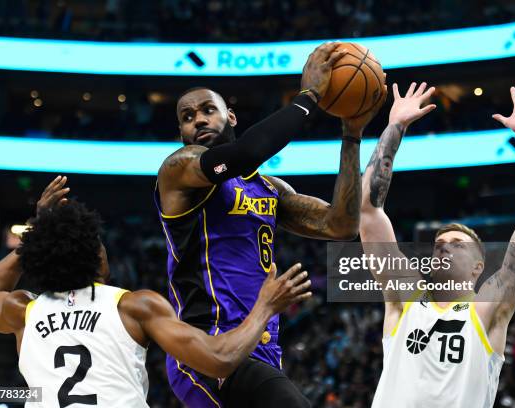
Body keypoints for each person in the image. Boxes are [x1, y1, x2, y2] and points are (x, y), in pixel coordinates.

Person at [155, 42, 382, 407]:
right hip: (207, 349)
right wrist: (308, 96)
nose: (197, 119)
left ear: (230, 118)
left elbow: (340, 225)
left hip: (259, 349)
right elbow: (246, 153)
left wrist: (351, 136)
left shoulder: (269, 189)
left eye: (208, 110)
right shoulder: (179, 170)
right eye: (187, 116)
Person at [0, 176, 312, 408]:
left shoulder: (24, 311)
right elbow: (220, 358)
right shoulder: (134, 306)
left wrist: (38, 230)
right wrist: (265, 306)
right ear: (98, 257)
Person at [360, 82, 515, 407]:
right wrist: (395, 127)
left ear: (478, 267)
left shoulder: (487, 309)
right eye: (439, 244)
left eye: (457, 244)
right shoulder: (405, 300)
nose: (443, 248)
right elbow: (368, 210)